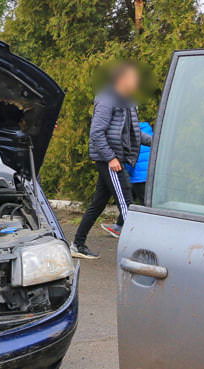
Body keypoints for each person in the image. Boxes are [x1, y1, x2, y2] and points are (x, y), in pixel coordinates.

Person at [71, 62, 152, 259]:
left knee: (98, 203)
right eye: (133, 78)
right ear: (122, 80)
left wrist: (158, 142)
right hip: (110, 160)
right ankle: (141, 253)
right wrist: (111, 158)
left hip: (118, 158)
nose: (136, 82)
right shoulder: (106, 100)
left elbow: (134, 133)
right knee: (127, 204)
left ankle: (77, 244)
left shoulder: (128, 102)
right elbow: (97, 133)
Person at [101, 121, 153, 238]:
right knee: (129, 201)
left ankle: (146, 231)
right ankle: (119, 226)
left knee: (142, 203)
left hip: (138, 176)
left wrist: (126, 174)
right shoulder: (148, 130)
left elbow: (130, 159)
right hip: (149, 174)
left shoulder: (129, 134)